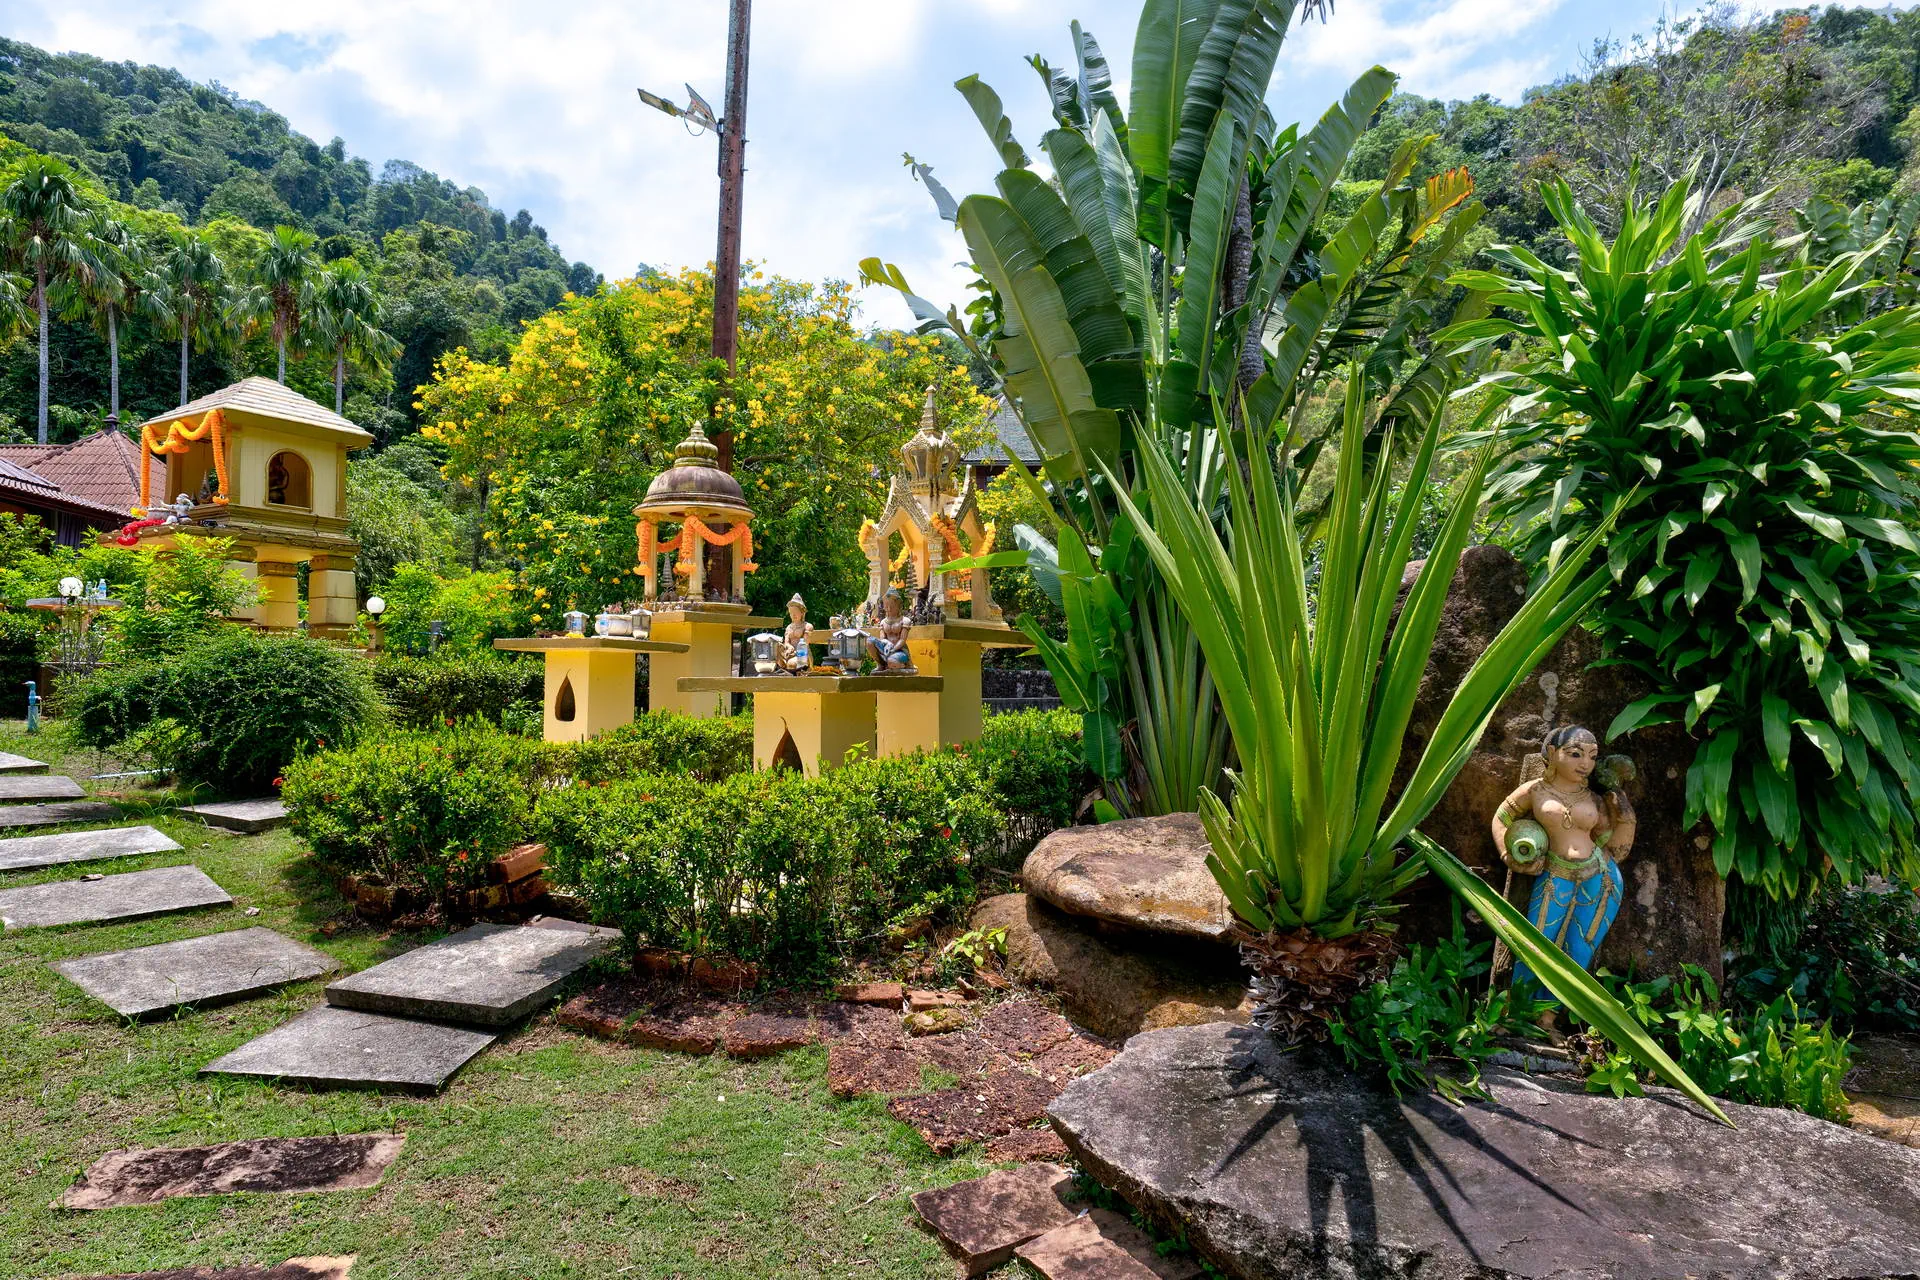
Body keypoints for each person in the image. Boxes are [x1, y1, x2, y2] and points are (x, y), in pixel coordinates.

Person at [1490, 725, 1637, 1037]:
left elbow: (1614, 843)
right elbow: (1502, 817)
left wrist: (1621, 805)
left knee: (1578, 951)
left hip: (1600, 877)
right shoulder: (1535, 790)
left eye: (1592, 757)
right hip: (1554, 874)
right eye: (1575, 754)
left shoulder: (1595, 799)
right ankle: (1516, 1014)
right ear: (1552, 753)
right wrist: (1507, 854)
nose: (1585, 763)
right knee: (1535, 942)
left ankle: (1548, 1020)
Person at [864, 587, 915, 672]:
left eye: (892, 606)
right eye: (886, 606)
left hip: (899, 650)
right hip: (886, 649)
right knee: (869, 641)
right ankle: (881, 664)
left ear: (898, 606)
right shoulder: (883, 622)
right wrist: (885, 646)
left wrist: (893, 649)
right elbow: (883, 638)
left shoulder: (905, 621)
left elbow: (902, 640)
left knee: (891, 661)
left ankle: (903, 665)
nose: (889, 609)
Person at [777, 593, 811, 673]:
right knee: (776, 648)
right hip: (789, 652)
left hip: (802, 654)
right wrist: (789, 647)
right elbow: (786, 642)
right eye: (791, 613)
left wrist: (795, 652)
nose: (793, 615)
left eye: (795, 612)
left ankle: (788, 666)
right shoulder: (789, 627)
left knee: (792, 664)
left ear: (802, 612)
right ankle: (783, 664)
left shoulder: (807, 626)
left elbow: (805, 643)